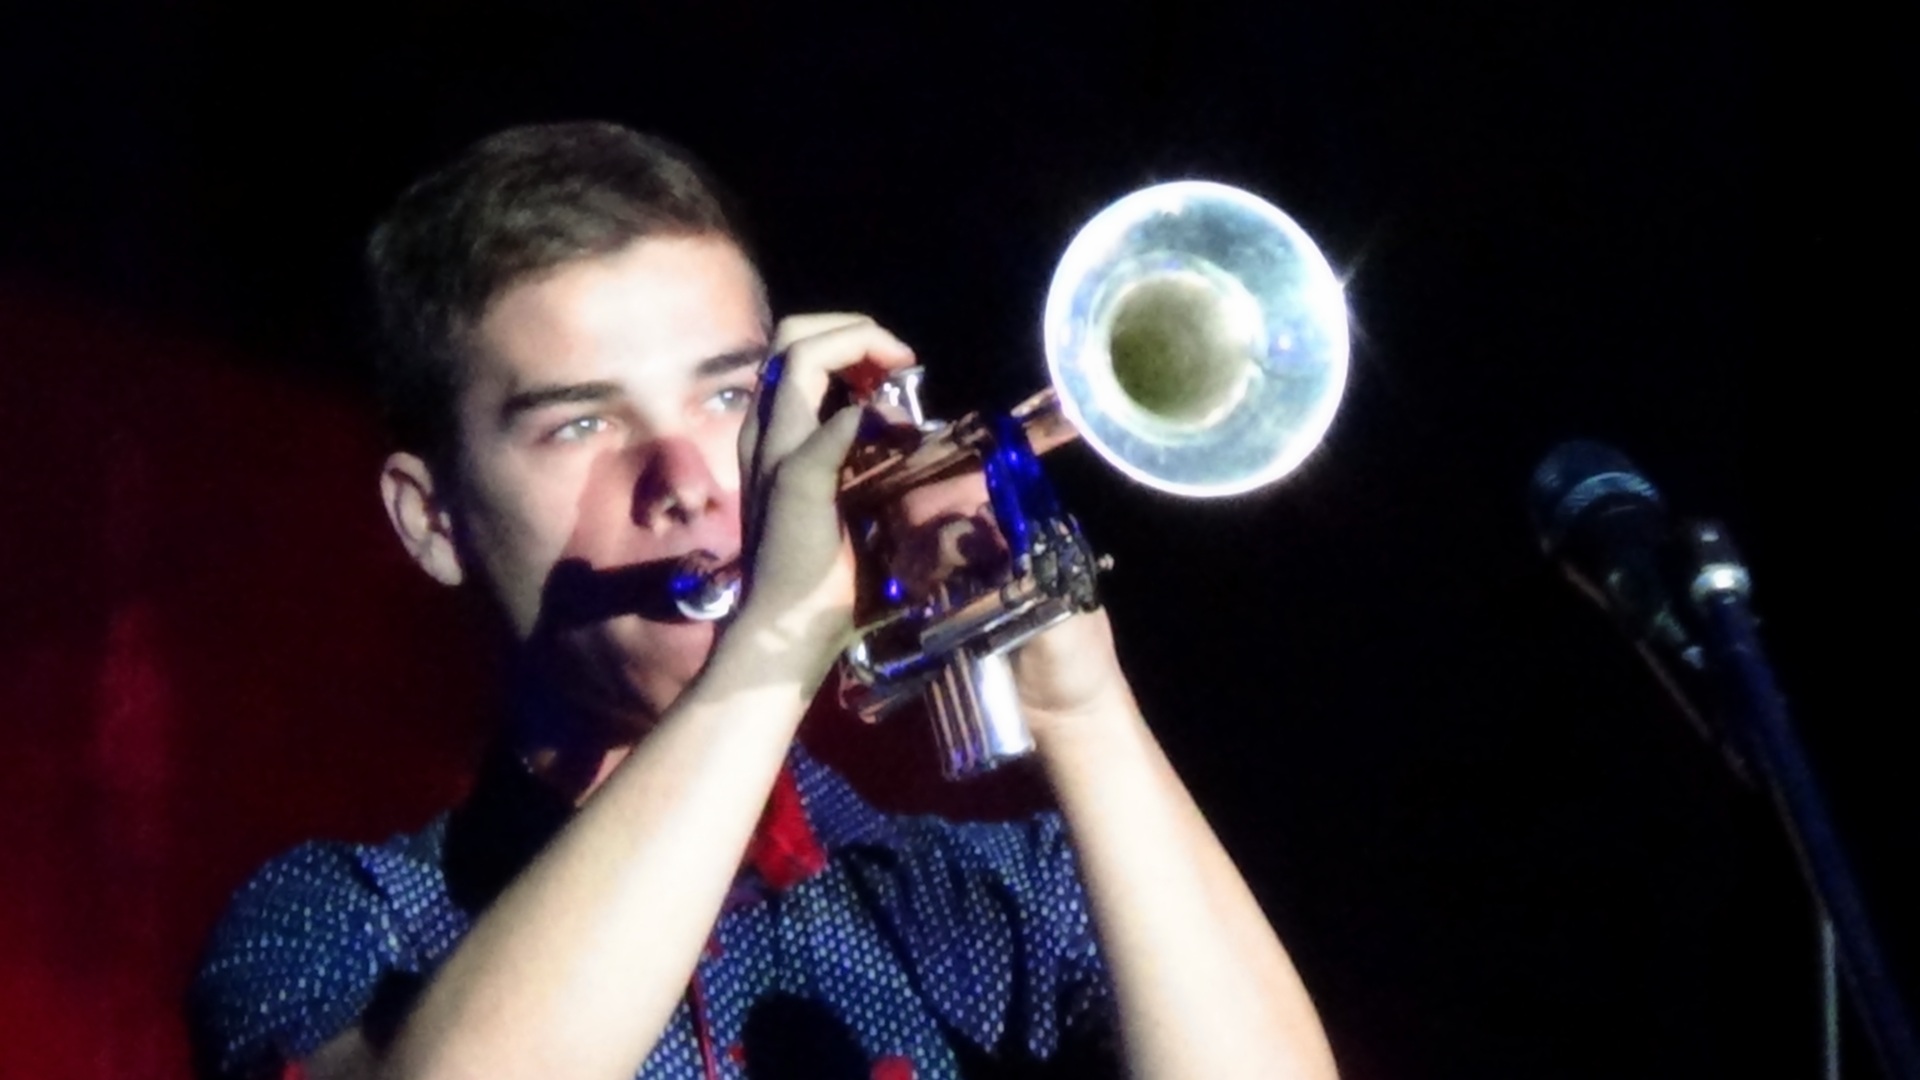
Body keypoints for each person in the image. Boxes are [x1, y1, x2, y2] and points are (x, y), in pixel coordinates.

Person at [187, 121, 1340, 1080]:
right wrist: (772, 648)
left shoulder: (994, 899)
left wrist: (1083, 708)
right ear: (433, 520)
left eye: (730, 399)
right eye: (581, 423)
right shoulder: (334, 922)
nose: (686, 483)